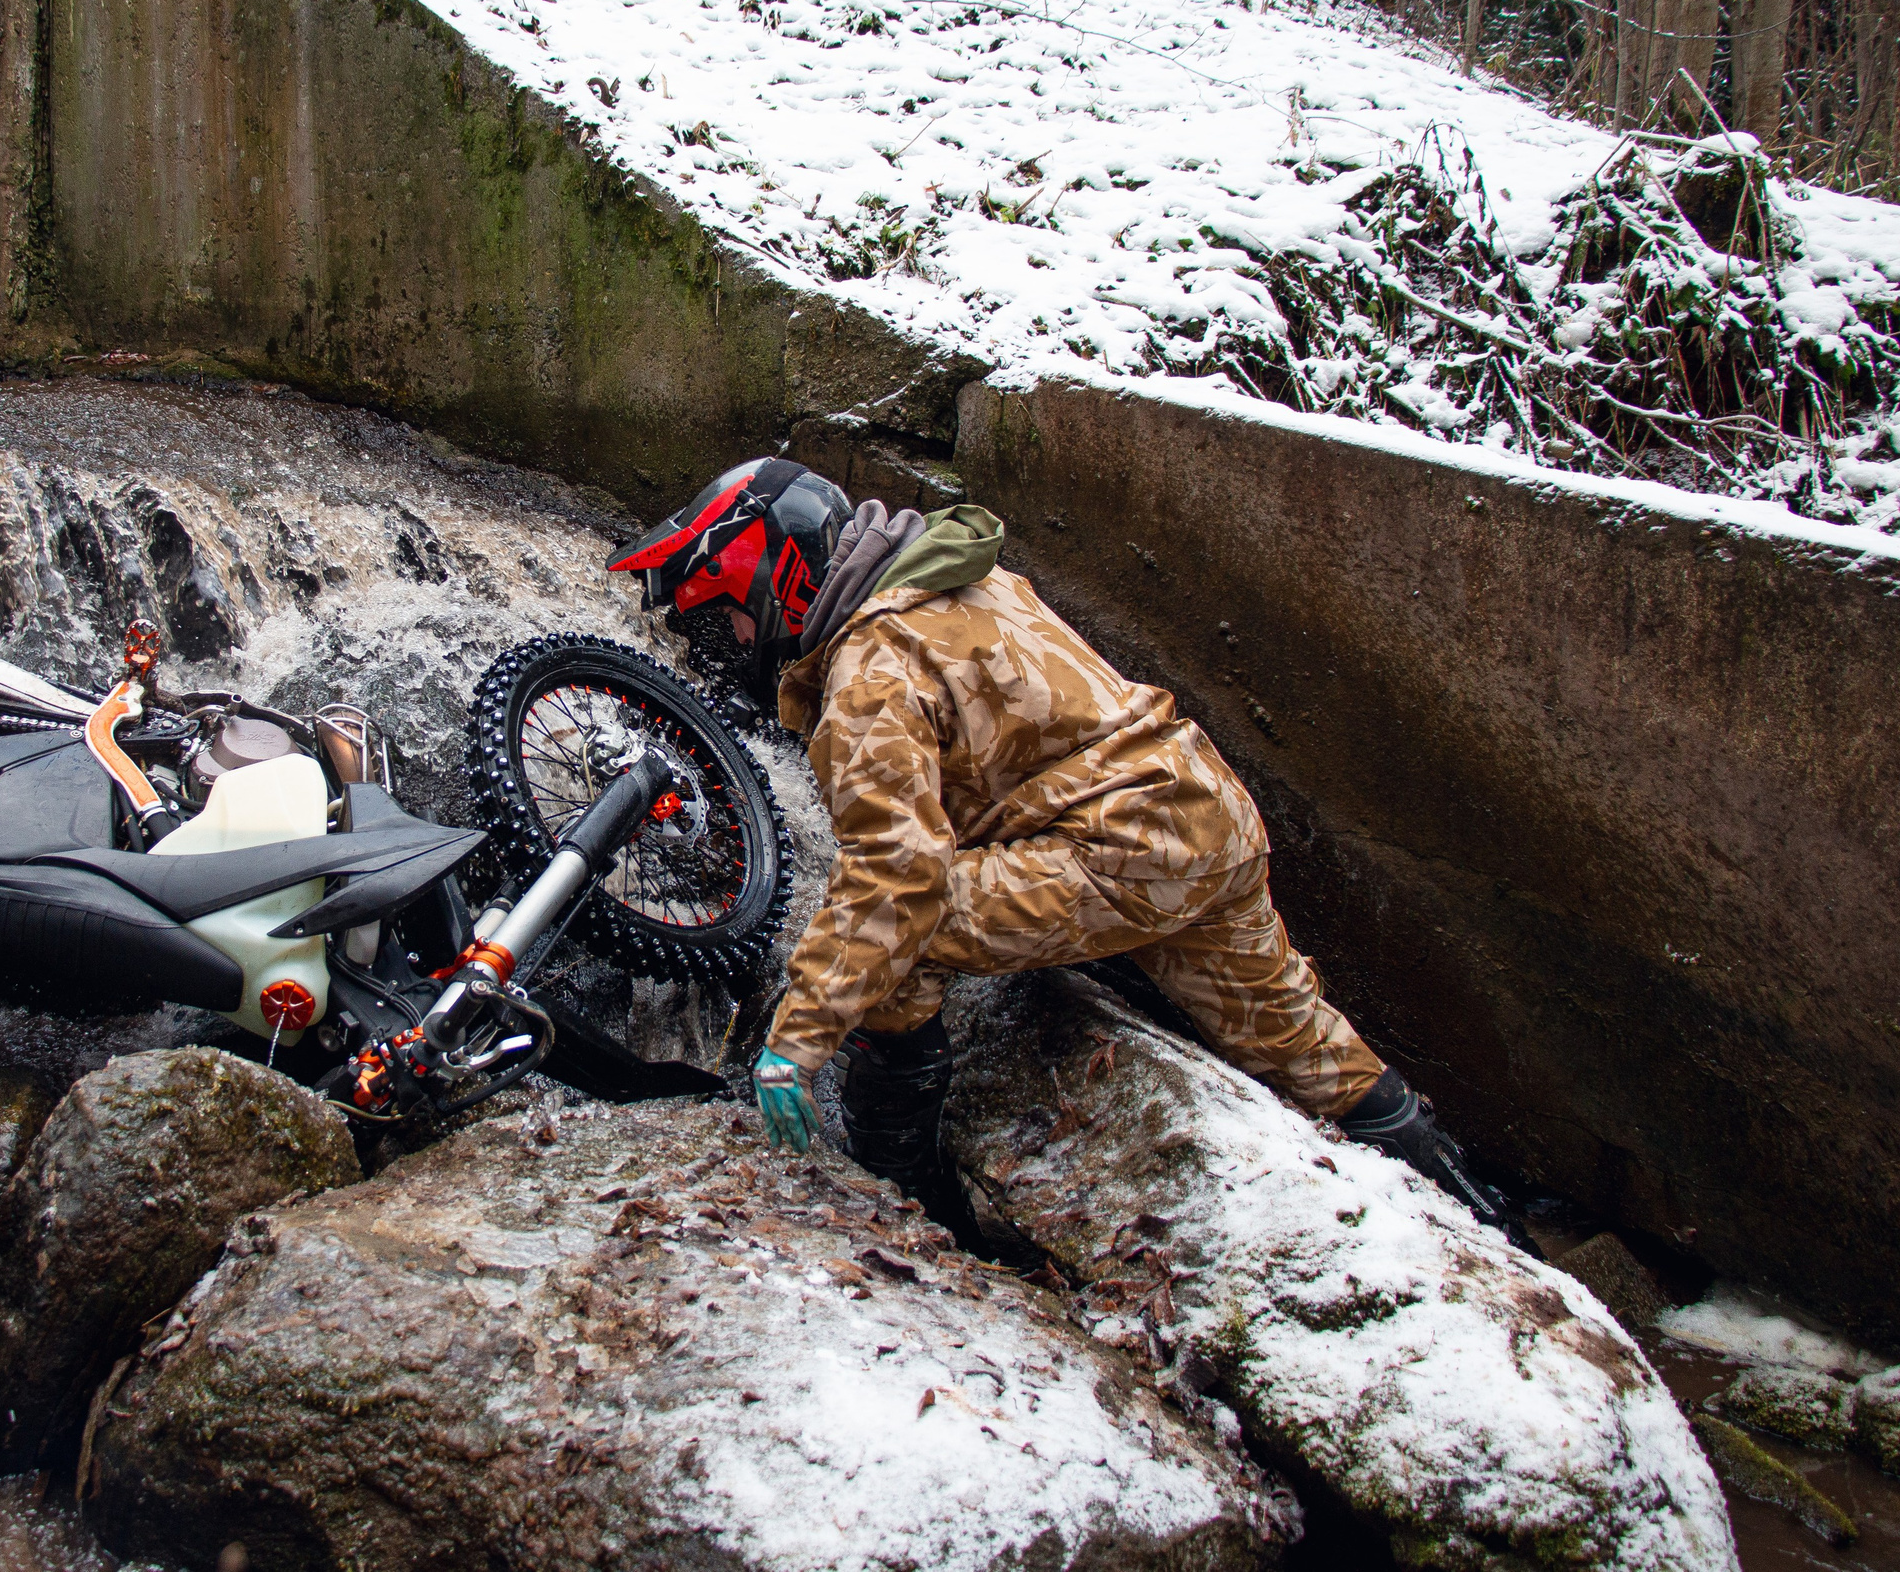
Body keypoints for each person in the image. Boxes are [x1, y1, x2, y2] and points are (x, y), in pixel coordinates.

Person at [607, 458, 1518, 1233]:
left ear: (782, 578)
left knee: (895, 938)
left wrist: (794, 1042)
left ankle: (909, 1196)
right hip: (1201, 816)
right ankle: (1486, 1213)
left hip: (1118, 849)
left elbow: (897, 882)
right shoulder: (954, 575)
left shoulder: (868, 673)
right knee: (1300, 1040)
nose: (724, 637)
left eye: (723, 610)